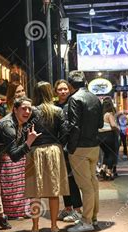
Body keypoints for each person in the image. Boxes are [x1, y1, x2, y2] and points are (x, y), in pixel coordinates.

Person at [26, 81, 69, 232]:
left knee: (34, 191)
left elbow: (24, 131)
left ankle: (35, 227)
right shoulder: (57, 111)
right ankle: (53, 226)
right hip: (53, 150)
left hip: (34, 150)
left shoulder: (30, 111)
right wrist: (58, 144)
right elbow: (65, 133)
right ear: (50, 93)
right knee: (53, 191)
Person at [64, 70, 103, 232]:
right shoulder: (95, 98)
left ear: (71, 85)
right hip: (94, 146)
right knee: (93, 183)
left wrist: (70, 147)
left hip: (79, 147)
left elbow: (74, 125)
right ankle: (93, 217)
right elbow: (100, 124)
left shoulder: (74, 98)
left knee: (85, 186)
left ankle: (86, 220)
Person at [0, 96, 41, 221]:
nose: (27, 112)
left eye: (29, 109)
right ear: (15, 109)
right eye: (23, 108)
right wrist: (29, 142)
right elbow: (14, 155)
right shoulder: (8, 126)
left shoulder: (19, 123)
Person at [0, 83, 31, 219]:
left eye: (22, 90)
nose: (21, 93)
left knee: (21, 182)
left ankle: (23, 209)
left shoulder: (26, 106)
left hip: (20, 147)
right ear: (12, 94)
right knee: (10, 181)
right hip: (8, 149)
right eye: (18, 92)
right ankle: (11, 211)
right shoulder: (5, 108)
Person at [54, 79, 82, 223]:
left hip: (71, 147)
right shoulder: (54, 106)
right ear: (56, 91)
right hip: (59, 147)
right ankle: (68, 208)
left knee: (72, 179)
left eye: (65, 89)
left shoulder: (73, 103)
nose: (63, 91)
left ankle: (77, 209)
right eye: (60, 89)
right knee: (63, 179)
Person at [98, 97, 119, 181]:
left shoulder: (100, 115)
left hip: (100, 135)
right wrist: (118, 129)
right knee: (111, 153)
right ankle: (109, 172)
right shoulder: (109, 114)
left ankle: (103, 168)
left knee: (106, 153)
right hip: (109, 135)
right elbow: (113, 125)